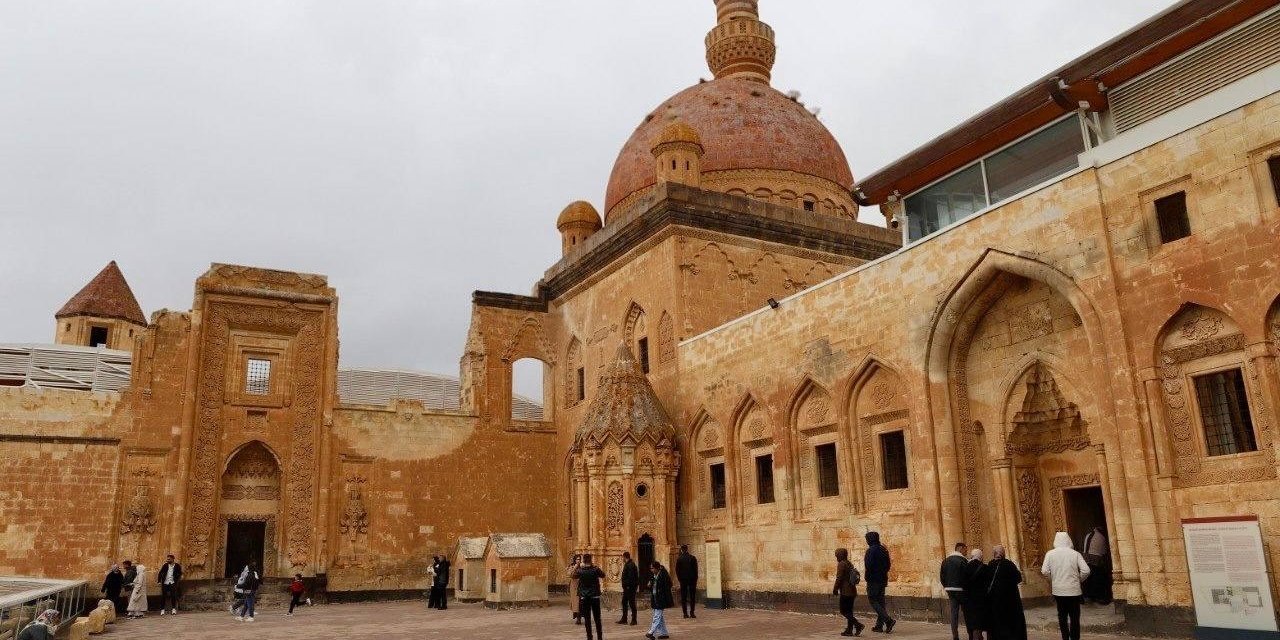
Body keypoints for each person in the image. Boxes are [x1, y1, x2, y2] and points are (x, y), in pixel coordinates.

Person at [1041, 532, 1090, 640]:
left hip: (1058, 591)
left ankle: (1065, 637)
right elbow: (1086, 570)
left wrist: (1053, 580)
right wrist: (1078, 580)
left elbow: (1044, 571)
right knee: (1075, 617)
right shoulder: (1075, 554)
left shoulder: (1050, 554)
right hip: (1074, 591)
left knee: (1062, 616)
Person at [985, 546, 1027, 640]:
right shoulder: (1009, 564)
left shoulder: (990, 565)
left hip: (995, 601)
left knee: (997, 622)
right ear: (1003, 553)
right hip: (1010, 600)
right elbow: (1018, 578)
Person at [863, 531, 895, 633]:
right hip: (882, 579)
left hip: (873, 580)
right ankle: (879, 626)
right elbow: (888, 565)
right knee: (880, 602)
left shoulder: (870, 551)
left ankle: (888, 621)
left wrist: (869, 576)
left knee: (873, 600)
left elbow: (868, 566)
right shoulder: (883, 549)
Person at [833, 548, 864, 637]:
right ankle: (849, 630)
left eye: (837, 555)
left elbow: (839, 578)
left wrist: (835, 589)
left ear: (840, 555)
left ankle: (858, 625)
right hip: (852, 591)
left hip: (846, 592)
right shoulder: (848, 563)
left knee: (843, 610)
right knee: (849, 611)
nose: (836, 557)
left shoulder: (841, 564)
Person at [574, 553, 606, 640]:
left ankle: (589, 637)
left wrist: (578, 566)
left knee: (587, 619)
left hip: (584, 597)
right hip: (595, 596)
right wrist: (595, 566)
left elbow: (573, 575)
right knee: (597, 618)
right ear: (591, 560)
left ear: (583, 560)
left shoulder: (580, 571)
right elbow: (603, 575)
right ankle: (599, 637)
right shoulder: (595, 569)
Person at [941, 542, 969, 640]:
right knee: (967, 611)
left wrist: (946, 586)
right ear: (961, 548)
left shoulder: (945, 561)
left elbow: (942, 576)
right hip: (961, 590)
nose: (966, 551)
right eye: (966, 549)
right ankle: (971, 633)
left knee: (954, 613)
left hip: (950, 590)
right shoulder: (963, 561)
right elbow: (966, 576)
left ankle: (955, 636)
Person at [961, 548, 989, 640]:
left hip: (968, 602)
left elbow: (963, 584)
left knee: (972, 625)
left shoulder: (965, 568)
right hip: (980, 601)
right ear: (980, 556)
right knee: (978, 625)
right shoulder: (984, 568)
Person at [1081, 526, 1112, 605]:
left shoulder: (1088, 535)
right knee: (1097, 577)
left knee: (1088, 578)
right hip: (1096, 559)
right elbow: (1104, 551)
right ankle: (1099, 597)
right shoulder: (1101, 537)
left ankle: (1088, 596)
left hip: (1086, 558)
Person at [646, 561, 674, 640]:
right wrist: (650, 585)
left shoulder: (663, 575)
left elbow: (669, 584)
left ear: (657, 568)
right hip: (655, 598)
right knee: (659, 617)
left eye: (652, 568)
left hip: (661, 598)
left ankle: (651, 632)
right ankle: (664, 633)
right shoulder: (653, 575)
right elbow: (652, 585)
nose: (651, 570)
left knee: (657, 616)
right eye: (651, 568)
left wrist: (661, 590)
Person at [674, 545, 698, 619]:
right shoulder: (692, 558)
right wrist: (695, 579)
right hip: (692, 580)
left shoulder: (679, 559)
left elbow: (677, 570)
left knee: (683, 597)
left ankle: (685, 613)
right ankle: (692, 613)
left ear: (681, 550)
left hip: (683, 580)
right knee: (692, 596)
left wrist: (680, 579)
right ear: (687, 549)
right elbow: (695, 570)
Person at [618, 551, 639, 626]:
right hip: (627, 588)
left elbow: (631, 577)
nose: (622, 559)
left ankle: (634, 619)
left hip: (630, 588)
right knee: (624, 602)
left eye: (622, 557)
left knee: (632, 603)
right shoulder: (629, 564)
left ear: (624, 557)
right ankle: (624, 618)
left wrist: (627, 586)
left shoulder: (630, 565)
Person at [568, 554, 583, 624]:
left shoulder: (582, 567)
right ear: (575, 560)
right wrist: (575, 567)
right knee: (576, 602)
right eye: (577, 559)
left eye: (579, 559)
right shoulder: (572, 566)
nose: (578, 561)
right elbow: (570, 575)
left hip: (581, 586)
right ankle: (577, 617)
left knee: (580, 602)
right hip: (574, 586)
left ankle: (579, 617)